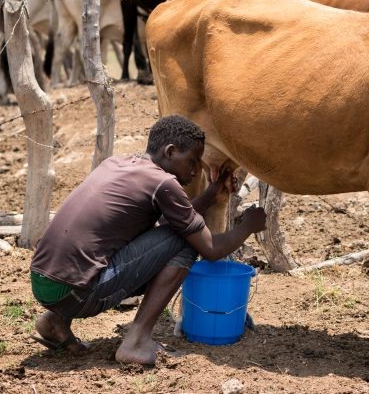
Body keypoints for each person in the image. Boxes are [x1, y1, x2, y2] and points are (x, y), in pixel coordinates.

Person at [29, 115, 265, 365]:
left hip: (46, 283)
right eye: (193, 161)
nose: (196, 171)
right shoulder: (163, 183)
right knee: (186, 242)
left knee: (161, 236)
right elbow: (211, 249)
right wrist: (248, 226)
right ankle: (137, 341)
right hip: (75, 294)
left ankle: (55, 322)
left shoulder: (116, 164)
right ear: (171, 152)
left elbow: (161, 231)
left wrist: (208, 196)